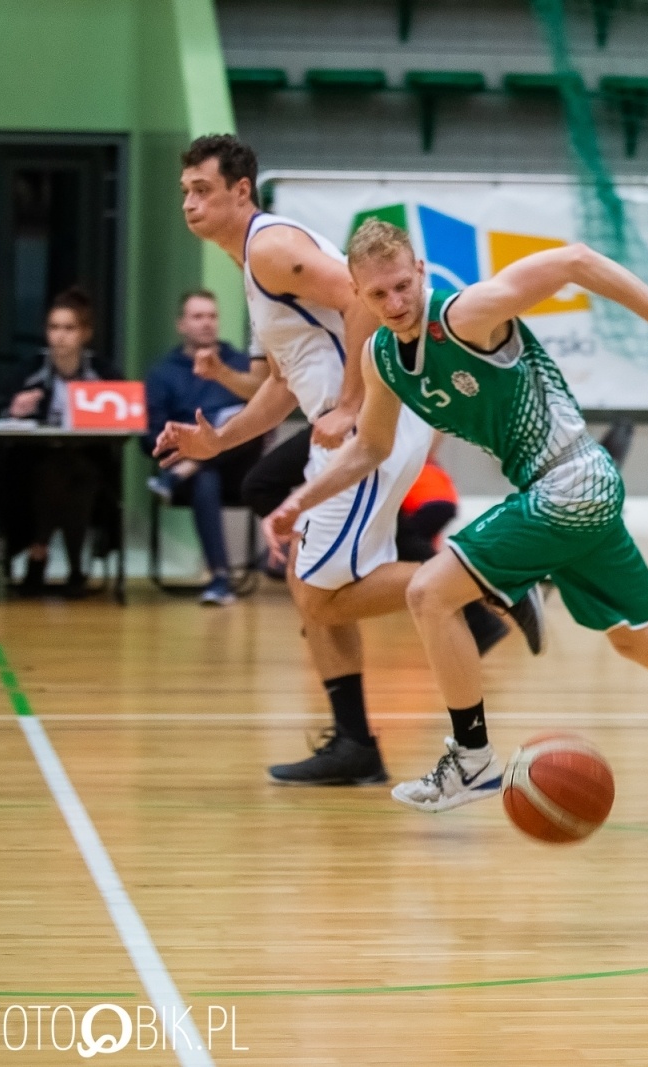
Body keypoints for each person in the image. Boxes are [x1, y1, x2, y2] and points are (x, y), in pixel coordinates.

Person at [261, 220, 648, 817]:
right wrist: (300, 500)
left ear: (420, 273)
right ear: (358, 297)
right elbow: (370, 448)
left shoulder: (468, 314)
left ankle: (471, 761)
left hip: (569, 480)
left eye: (401, 286)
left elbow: (572, 260)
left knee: (429, 592)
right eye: (377, 295)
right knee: (637, 638)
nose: (394, 303)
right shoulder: (382, 357)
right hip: (566, 494)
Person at [157, 134, 535, 788]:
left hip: (374, 426)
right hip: (350, 428)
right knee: (311, 590)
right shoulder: (255, 264)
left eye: (202, 190)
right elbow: (283, 385)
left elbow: (362, 300)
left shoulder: (273, 249)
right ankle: (354, 742)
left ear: (240, 191)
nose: (189, 202)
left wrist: (355, 401)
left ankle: (487, 581)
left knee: (324, 599)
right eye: (185, 190)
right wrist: (217, 441)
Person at [143, 289, 269, 605]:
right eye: (197, 317)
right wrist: (183, 448)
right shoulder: (163, 373)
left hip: (239, 469)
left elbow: (265, 417)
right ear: (181, 324)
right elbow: (150, 436)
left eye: (212, 316)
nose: (206, 323)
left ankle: (190, 467)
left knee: (244, 422)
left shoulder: (241, 365)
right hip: (192, 474)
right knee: (205, 476)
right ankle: (220, 579)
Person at [5, 287, 122, 597]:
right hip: (35, 461)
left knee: (76, 474)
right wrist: (14, 410)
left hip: (90, 460)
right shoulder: (31, 370)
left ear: (85, 333)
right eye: (53, 327)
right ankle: (74, 568)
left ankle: (38, 554)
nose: (60, 336)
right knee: (56, 472)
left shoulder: (103, 373)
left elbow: (129, 413)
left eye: (69, 328)